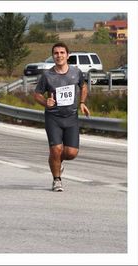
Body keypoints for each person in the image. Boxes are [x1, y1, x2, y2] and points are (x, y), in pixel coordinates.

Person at [34, 42, 90, 192]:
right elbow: (37, 94)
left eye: (62, 53)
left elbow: (83, 86)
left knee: (71, 153)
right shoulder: (47, 75)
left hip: (71, 117)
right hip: (53, 118)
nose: (59, 56)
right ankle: (56, 179)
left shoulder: (75, 72)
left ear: (67, 55)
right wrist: (46, 102)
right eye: (56, 53)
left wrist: (82, 102)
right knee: (56, 149)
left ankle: (56, 161)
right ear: (53, 56)